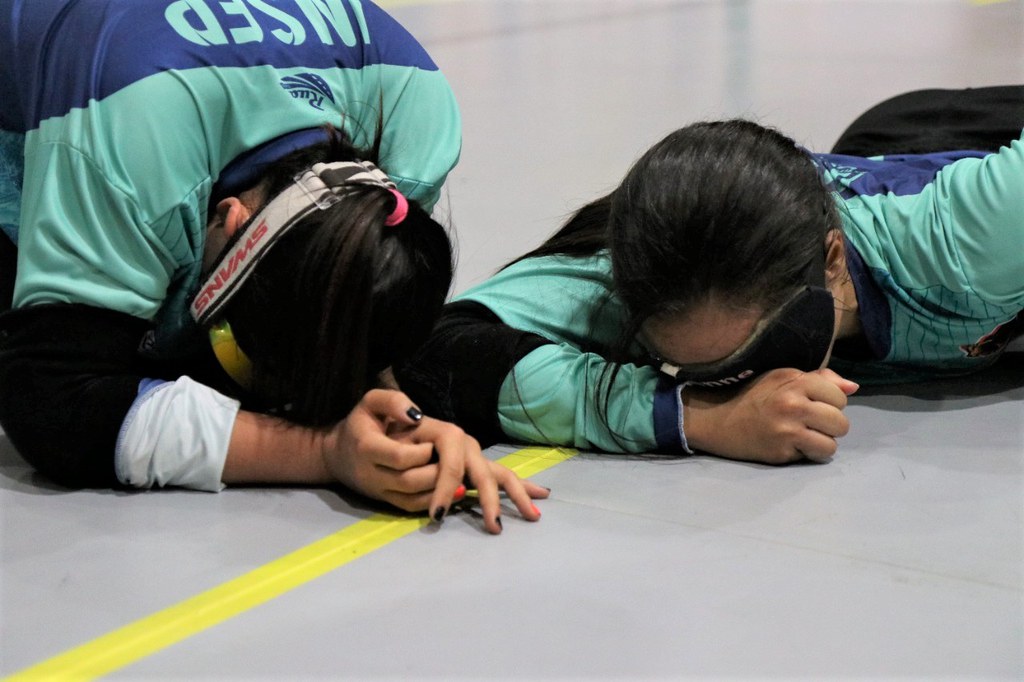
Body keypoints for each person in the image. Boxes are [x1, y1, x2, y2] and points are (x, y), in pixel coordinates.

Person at [0, 0, 546, 533]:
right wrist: (322, 450)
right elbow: (56, 403)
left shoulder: (418, 115)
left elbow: (346, 294)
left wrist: (399, 414)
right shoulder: (130, 155)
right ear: (230, 219)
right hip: (103, 89)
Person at [394, 86, 1024, 465]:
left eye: (778, 346)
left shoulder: (968, 243)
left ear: (833, 261)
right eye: (713, 375)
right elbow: (438, 354)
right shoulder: (628, 282)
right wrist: (695, 416)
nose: (768, 382)